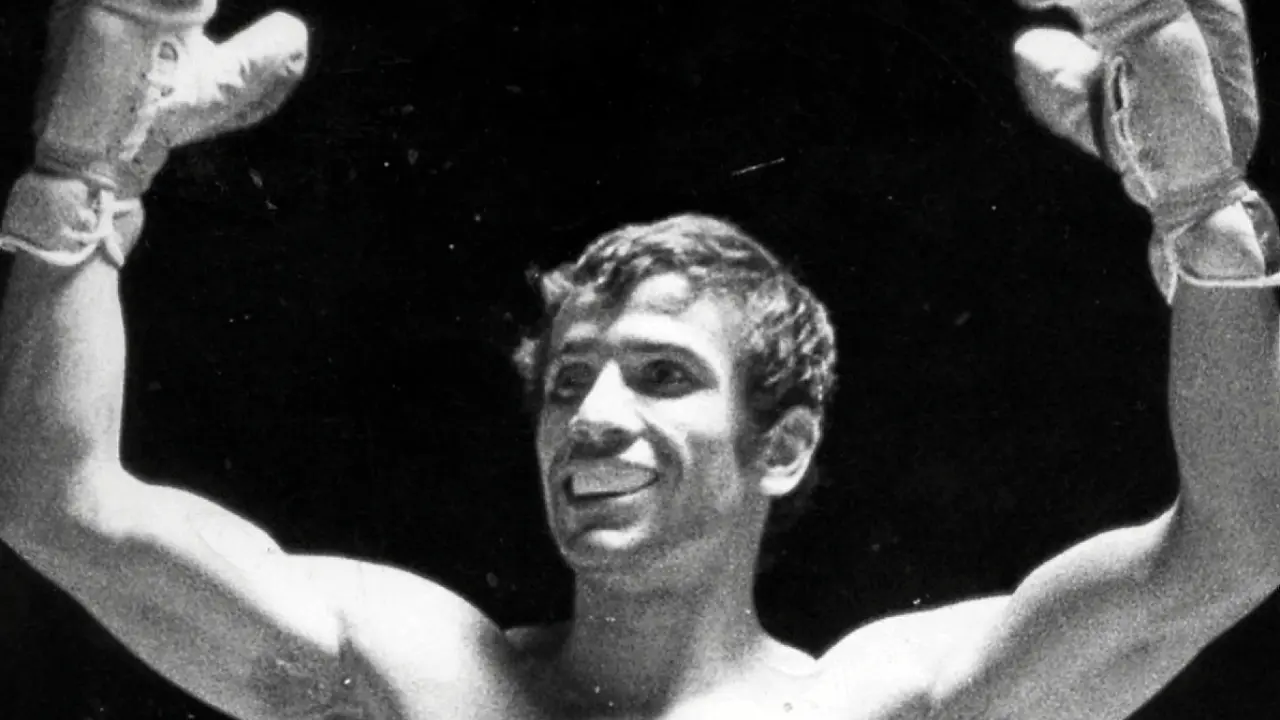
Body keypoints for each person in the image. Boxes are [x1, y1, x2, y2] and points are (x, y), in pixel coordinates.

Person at [1, 1, 1278, 719]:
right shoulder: (407, 675)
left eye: (662, 374)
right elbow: (60, 506)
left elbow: (1229, 550)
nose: (592, 415)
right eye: (567, 380)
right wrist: (82, 183)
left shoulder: (876, 708)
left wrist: (1206, 228)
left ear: (782, 444)